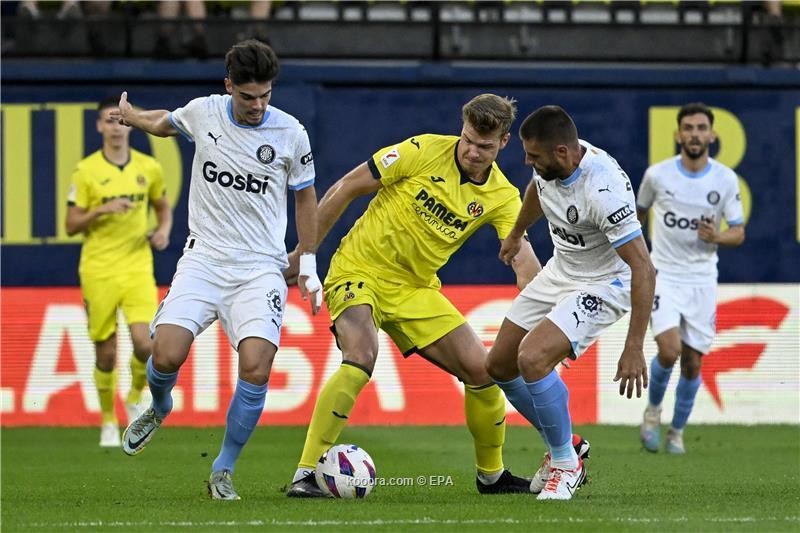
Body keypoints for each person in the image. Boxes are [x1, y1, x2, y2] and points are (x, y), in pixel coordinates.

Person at [284, 93, 550, 499]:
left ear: (504, 143)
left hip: (415, 288)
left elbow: (523, 257)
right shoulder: (422, 150)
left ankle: (491, 476)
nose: (473, 152)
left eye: (484, 145)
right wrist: (305, 254)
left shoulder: (502, 196)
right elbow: (346, 187)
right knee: (361, 355)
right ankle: (305, 472)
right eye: (467, 141)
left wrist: (537, 305)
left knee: (483, 371)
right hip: (360, 270)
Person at [113, 39, 322, 501]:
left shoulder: (291, 133)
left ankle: (223, 469)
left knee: (256, 366)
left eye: (265, 95)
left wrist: (306, 261)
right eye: (247, 96)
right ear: (228, 86)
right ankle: (160, 404)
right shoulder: (205, 112)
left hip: (260, 270)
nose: (257, 105)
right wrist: (132, 116)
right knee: (162, 354)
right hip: (204, 259)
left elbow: (305, 196)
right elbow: (164, 123)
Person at [485, 105, 655, 500]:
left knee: (533, 358)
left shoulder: (603, 190)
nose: (527, 162)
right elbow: (537, 190)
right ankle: (568, 445)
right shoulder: (551, 164)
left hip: (605, 283)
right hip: (561, 270)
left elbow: (643, 269)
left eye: (534, 157)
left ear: (562, 153)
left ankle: (565, 464)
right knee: (498, 364)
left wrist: (634, 347)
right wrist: (516, 233)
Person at [637, 102, 745, 454]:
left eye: (702, 128)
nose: (695, 134)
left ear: (712, 135)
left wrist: (716, 237)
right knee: (668, 351)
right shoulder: (657, 175)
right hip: (663, 273)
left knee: (693, 361)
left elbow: (739, 232)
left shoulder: (725, 179)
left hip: (701, 278)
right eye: (689, 128)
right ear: (678, 134)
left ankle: (676, 432)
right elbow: (637, 215)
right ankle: (652, 414)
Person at [65, 96, 173, 448]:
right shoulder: (86, 172)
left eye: (118, 120)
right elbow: (70, 224)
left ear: (128, 124)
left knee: (146, 344)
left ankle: (134, 394)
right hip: (99, 268)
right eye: (107, 121)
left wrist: (162, 231)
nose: (114, 127)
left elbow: (162, 206)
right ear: (99, 126)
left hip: (137, 265)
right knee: (106, 353)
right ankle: (108, 420)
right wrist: (102, 209)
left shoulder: (148, 167)